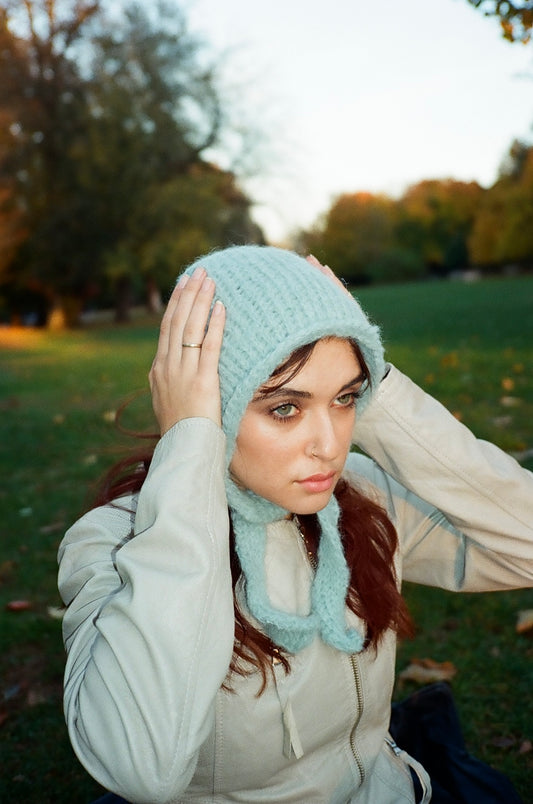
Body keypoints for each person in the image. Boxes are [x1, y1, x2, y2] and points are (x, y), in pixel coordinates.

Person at [58, 245, 533, 804]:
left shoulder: (363, 497)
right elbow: (141, 768)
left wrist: (377, 390)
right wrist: (189, 447)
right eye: (285, 408)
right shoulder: (116, 542)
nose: (330, 447)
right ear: (214, 404)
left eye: (345, 400)